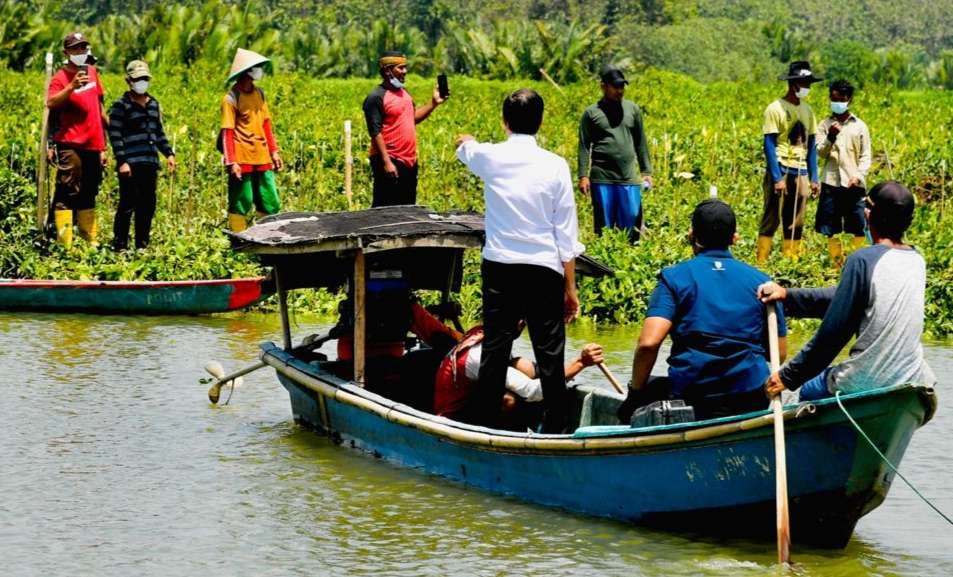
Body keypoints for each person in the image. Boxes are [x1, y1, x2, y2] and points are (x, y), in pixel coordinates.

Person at [455, 88, 584, 433]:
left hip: (501, 269)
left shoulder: (490, 156)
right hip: (544, 268)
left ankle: (484, 426)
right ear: (540, 122)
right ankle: (557, 429)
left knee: (496, 349)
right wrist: (570, 288)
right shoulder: (556, 166)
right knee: (550, 354)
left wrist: (466, 140)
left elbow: (464, 149)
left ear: (505, 122)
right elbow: (566, 234)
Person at [760, 181, 935, 401]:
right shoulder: (917, 260)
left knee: (807, 391)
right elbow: (850, 299)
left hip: (865, 380)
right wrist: (788, 296)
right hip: (909, 377)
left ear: (868, 216)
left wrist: (788, 377)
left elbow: (833, 335)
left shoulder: (862, 261)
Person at [617, 199, 788, 423]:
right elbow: (780, 352)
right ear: (734, 238)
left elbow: (649, 344)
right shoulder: (762, 282)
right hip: (751, 395)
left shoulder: (675, 278)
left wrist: (635, 394)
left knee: (646, 394)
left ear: (692, 235)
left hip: (695, 395)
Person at [433, 324, 604, 429]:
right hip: (455, 418)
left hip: (472, 400)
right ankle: (510, 436)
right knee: (509, 400)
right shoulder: (481, 355)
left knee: (524, 366)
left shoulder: (484, 333)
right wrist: (580, 363)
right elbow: (531, 391)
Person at [46, 31, 109, 248]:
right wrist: (71, 87)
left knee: (89, 190)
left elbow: (99, 108)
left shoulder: (92, 71)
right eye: (75, 49)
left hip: (94, 142)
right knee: (68, 188)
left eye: (83, 48)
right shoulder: (60, 77)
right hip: (70, 142)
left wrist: (105, 145)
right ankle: (65, 246)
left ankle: (89, 243)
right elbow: (51, 103)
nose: (80, 52)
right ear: (66, 52)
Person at [362, 51, 448, 207]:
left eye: (405, 67)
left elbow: (412, 118)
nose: (405, 72)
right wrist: (387, 162)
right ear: (388, 70)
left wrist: (434, 103)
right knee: (385, 208)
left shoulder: (404, 93)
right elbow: (375, 132)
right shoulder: (376, 97)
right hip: (389, 159)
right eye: (400, 68)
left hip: (408, 161)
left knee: (407, 208)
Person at [757, 61, 823, 263]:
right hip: (782, 165)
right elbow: (769, 144)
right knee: (772, 215)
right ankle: (762, 259)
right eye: (804, 83)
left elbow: (811, 145)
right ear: (793, 83)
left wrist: (814, 177)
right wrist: (777, 177)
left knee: (797, 218)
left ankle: (791, 259)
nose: (807, 87)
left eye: (809, 83)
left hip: (801, 168)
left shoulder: (808, 110)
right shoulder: (775, 109)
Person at [577, 65, 653, 242]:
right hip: (602, 178)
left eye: (622, 86)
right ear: (603, 86)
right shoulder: (591, 113)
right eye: (615, 86)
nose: (620, 90)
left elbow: (641, 141)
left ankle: (629, 256)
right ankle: (606, 263)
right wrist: (583, 175)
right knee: (605, 226)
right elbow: (583, 145)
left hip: (628, 178)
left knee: (633, 218)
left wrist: (646, 171)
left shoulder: (632, 110)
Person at [107, 60, 176, 251]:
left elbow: (158, 132)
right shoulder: (120, 105)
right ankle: (120, 245)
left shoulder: (153, 104)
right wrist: (122, 161)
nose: (142, 82)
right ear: (128, 80)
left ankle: (142, 245)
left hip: (149, 162)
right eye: (138, 79)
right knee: (127, 205)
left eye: (145, 78)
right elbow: (115, 134)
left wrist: (169, 153)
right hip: (130, 163)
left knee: (147, 205)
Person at [221, 48, 283, 232]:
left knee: (269, 200)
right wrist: (231, 162)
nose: (260, 71)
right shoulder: (231, 99)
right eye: (256, 67)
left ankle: (268, 236)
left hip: (263, 156)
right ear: (247, 71)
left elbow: (266, 125)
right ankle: (239, 240)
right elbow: (227, 132)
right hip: (242, 158)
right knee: (241, 201)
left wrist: (274, 151)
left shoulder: (260, 94)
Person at [816, 79, 872, 267]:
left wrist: (859, 176)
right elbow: (821, 153)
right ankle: (835, 263)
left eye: (839, 99)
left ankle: (853, 263)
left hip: (853, 183)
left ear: (848, 99)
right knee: (830, 228)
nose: (835, 102)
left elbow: (866, 156)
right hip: (831, 181)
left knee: (856, 226)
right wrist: (830, 136)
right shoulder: (824, 124)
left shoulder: (860, 126)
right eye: (832, 99)